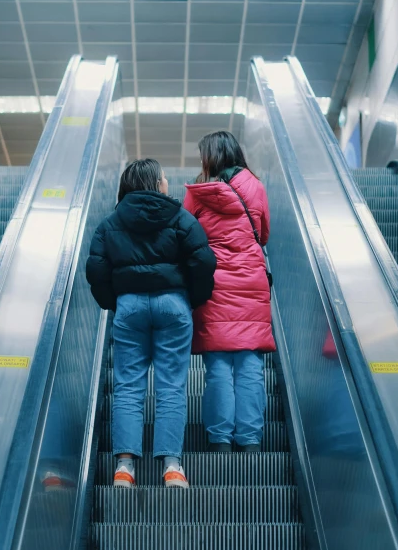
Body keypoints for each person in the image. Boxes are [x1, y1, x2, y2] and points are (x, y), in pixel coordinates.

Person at [86, 159, 216, 489]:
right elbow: (203, 261)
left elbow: (96, 270)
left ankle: (124, 469)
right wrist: (191, 299)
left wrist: (114, 303)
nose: (168, 180)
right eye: (164, 177)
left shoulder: (110, 223)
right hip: (173, 304)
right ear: (155, 184)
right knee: (171, 385)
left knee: (128, 385)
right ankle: (172, 468)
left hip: (129, 306)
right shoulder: (180, 217)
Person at [184, 131, 276, 453]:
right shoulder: (256, 186)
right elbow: (262, 235)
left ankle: (220, 439)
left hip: (215, 284)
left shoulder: (197, 194)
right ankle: (250, 440)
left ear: (211, 157)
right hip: (251, 282)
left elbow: (188, 240)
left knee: (218, 366)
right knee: (250, 364)